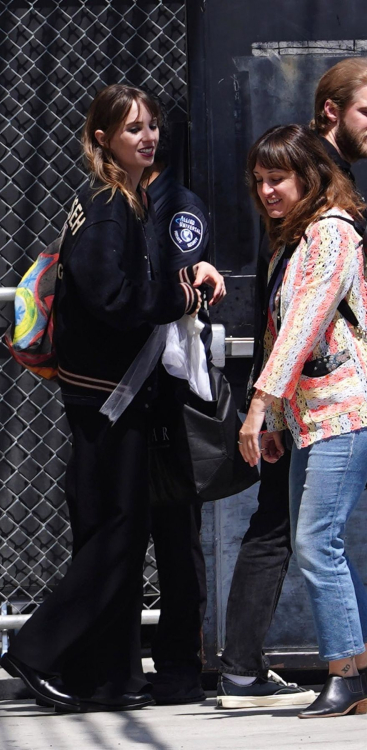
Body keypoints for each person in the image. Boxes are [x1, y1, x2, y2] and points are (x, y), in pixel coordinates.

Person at [0, 83, 207, 713]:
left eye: (152, 127)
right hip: (108, 399)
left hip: (109, 395)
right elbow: (111, 298)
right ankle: (37, 650)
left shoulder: (118, 199)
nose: (148, 138)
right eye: (132, 129)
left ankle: (106, 677)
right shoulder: (111, 204)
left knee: (113, 529)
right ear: (103, 140)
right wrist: (180, 299)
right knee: (117, 533)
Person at [218, 57, 367, 709]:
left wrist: (257, 413)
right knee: (318, 543)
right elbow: (282, 334)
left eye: (278, 179)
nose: (267, 191)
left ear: (307, 177)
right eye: (259, 181)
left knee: (314, 542)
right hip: (315, 417)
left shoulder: (331, 235)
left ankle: (346, 676)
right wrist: (278, 422)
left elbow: (304, 327)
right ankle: (352, 672)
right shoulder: (296, 240)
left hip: (345, 410)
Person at [141, 110, 226, 705]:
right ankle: (121, 662)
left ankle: (176, 668)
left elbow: (176, 285)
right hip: (126, 391)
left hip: (164, 394)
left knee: (175, 534)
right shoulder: (113, 200)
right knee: (121, 532)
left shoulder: (177, 205)